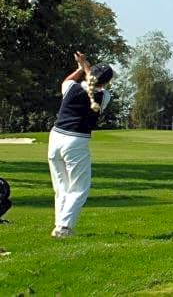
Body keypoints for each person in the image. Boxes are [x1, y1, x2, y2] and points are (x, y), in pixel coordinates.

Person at [48, 52, 113, 238]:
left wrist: (81, 67)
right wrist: (85, 66)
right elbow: (93, 85)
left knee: (61, 186)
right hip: (76, 140)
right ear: (106, 82)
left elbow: (68, 80)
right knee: (79, 187)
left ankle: (59, 224)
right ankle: (63, 228)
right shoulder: (104, 96)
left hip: (56, 137)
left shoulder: (70, 88)